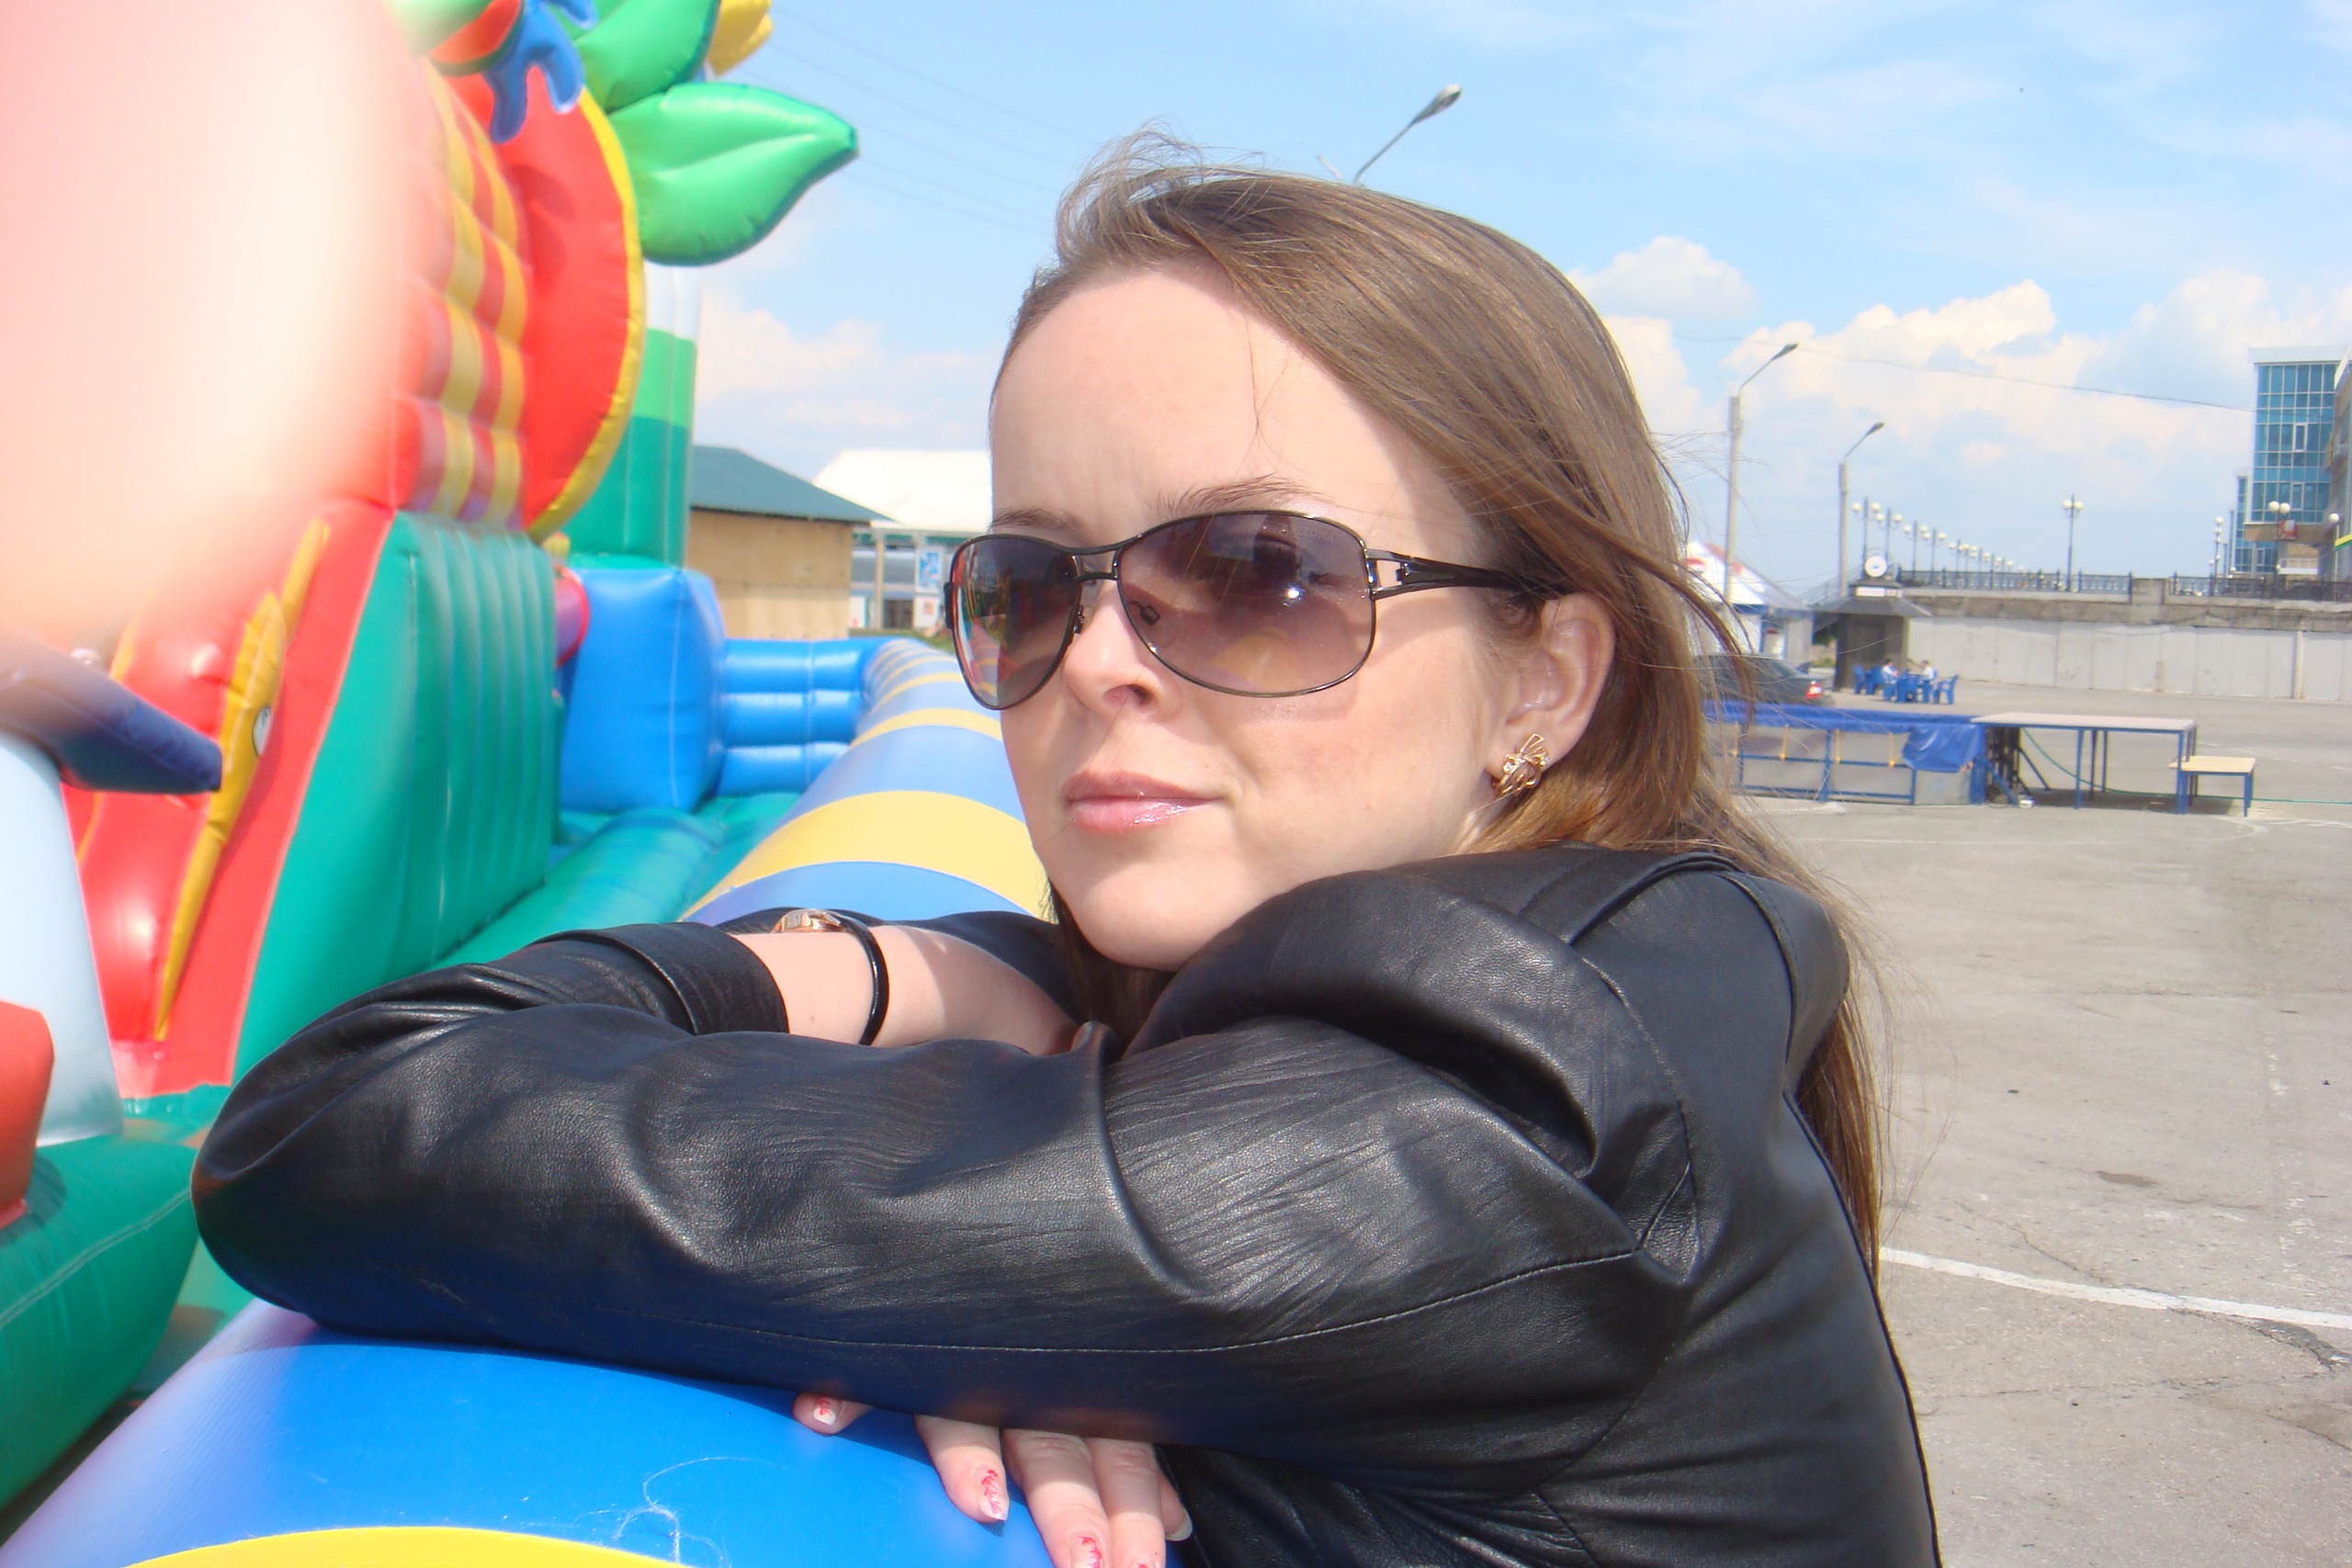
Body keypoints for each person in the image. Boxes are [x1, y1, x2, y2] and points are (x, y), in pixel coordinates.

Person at [195, 143, 1938, 1568]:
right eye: (1030, 585)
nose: (1099, 660)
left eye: (1254, 572)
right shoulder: (1571, 987)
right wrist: (946, 1020)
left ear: (1543, 679)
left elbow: (336, 1124)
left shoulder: (1511, 1108)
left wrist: (864, 1019)